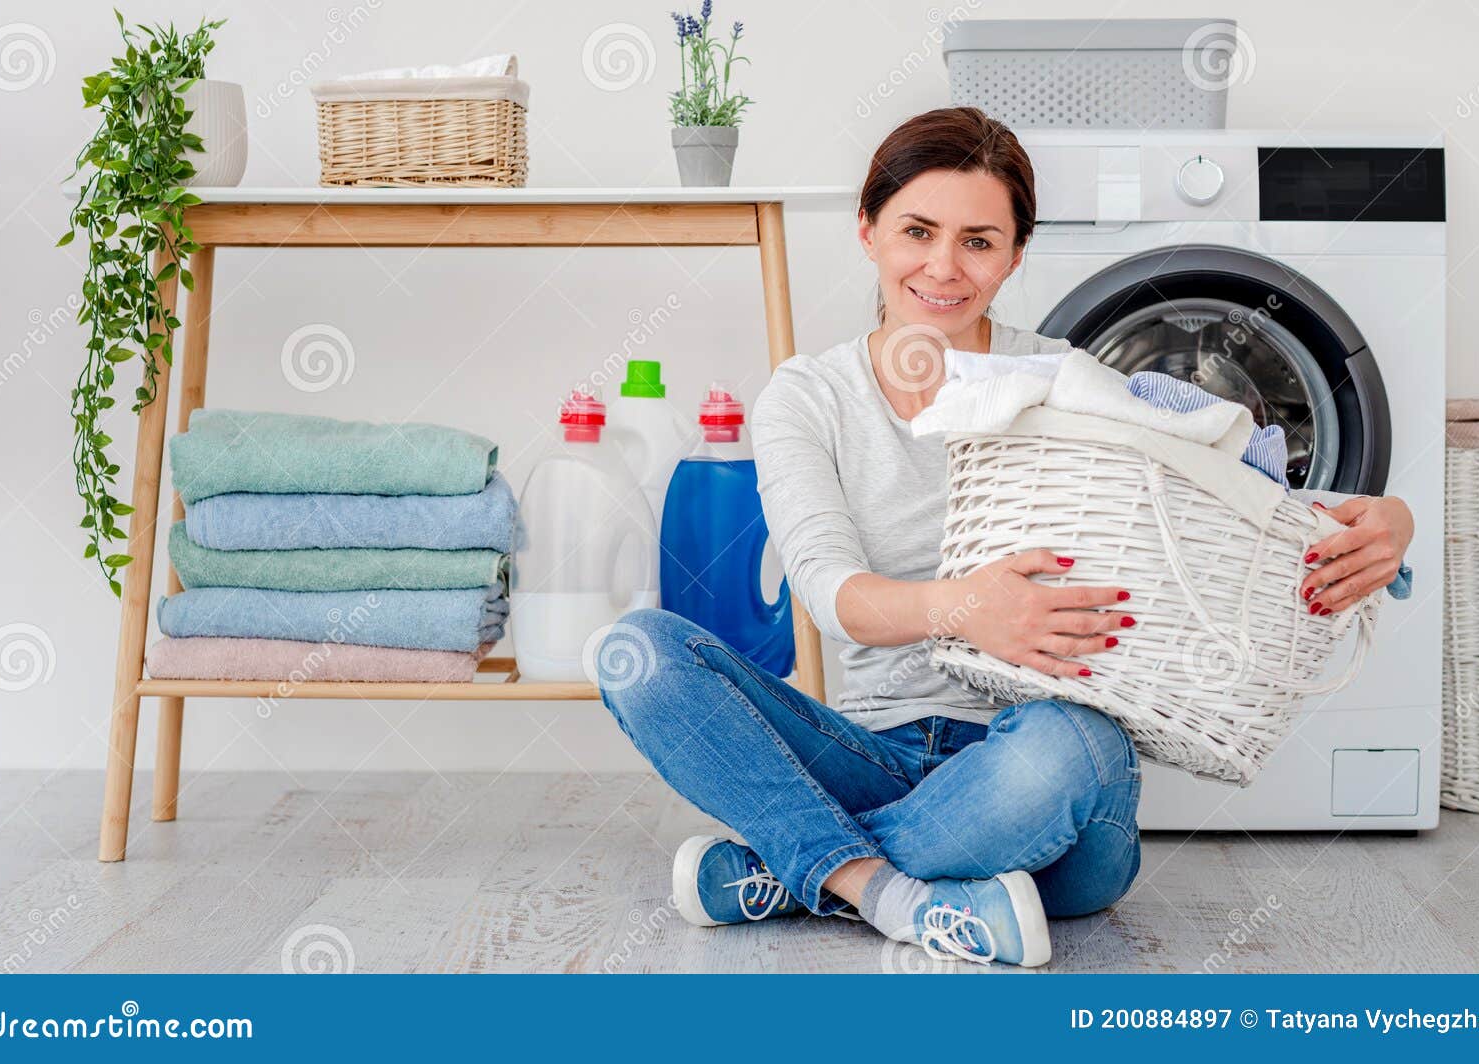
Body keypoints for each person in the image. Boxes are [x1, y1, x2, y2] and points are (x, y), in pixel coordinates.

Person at [595, 106, 1416, 967]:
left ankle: (810, 867)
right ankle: (892, 895)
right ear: (868, 229)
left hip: (1044, 783)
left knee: (1076, 743)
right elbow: (831, 593)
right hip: (872, 751)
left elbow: (1217, 492)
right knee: (637, 652)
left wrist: (1380, 519)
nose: (944, 268)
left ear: (1016, 254)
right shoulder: (810, 396)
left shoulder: (1065, 380)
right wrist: (966, 610)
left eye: (979, 241)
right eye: (917, 230)